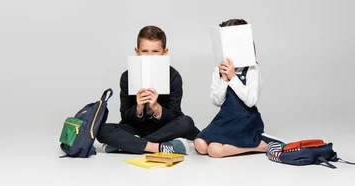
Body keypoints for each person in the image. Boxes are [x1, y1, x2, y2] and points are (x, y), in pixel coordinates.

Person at [96, 25, 200, 154]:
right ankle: (159, 147)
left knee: (186, 122)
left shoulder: (173, 76)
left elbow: (175, 114)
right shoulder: (127, 76)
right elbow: (125, 115)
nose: (150, 56)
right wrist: (138, 107)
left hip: (165, 128)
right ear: (137, 51)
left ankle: (128, 145)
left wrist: (156, 107)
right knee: (101, 129)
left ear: (164, 52)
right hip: (136, 128)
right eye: (145, 51)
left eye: (155, 51)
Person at [194, 19, 277, 158]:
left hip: (245, 120)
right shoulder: (219, 69)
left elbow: (251, 101)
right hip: (225, 118)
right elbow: (217, 102)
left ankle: (259, 145)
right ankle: (241, 143)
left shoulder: (252, 69)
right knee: (200, 145)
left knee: (215, 150)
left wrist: (233, 78)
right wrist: (224, 80)